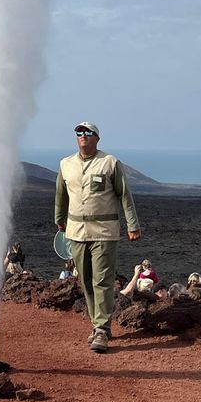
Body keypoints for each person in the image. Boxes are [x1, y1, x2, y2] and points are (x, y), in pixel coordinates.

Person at [55, 121, 141, 353]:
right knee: (86, 281)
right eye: (79, 133)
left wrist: (132, 224)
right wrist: (59, 218)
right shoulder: (66, 164)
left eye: (88, 133)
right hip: (76, 233)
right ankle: (98, 325)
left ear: (97, 138)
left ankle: (101, 329)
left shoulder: (110, 163)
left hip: (104, 232)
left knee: (102, 280)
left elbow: (125, 195)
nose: (82, 136)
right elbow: (61, 195)